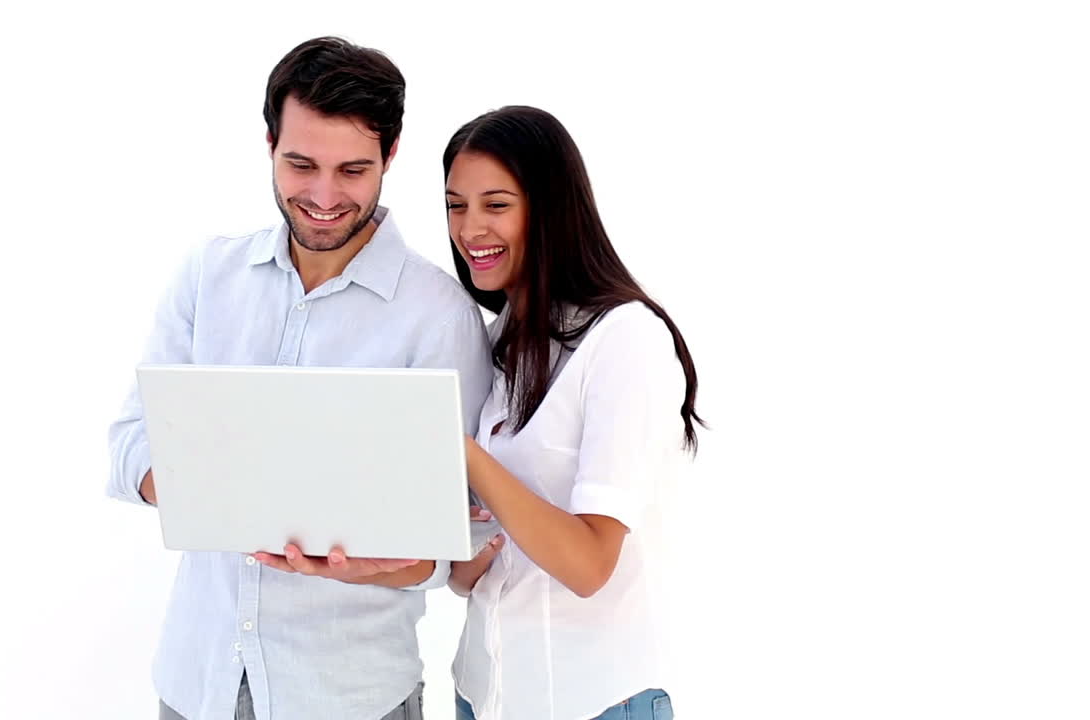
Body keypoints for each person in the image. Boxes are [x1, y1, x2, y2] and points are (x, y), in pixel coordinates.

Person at [106, 37, 493, 720]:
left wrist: (370, 558)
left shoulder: (439, 317)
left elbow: (450, 541)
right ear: (268, 143)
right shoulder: (209, 274)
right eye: (300, 163)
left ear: (391, 156)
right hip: (197, 683)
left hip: (349, 696)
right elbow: (130, 442)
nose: (322, 195)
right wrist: (220, 489)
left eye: (352, 170)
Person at [440, 106, 703, 720]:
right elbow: (472, 570)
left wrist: (463, 453)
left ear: (550, 208)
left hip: (591, 702)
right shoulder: (501, 337)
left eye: (495, 205)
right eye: (456, 205)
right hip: (483, 695)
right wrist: (466, 550)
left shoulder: (626, 338)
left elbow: (589, 565)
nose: (470, 228)